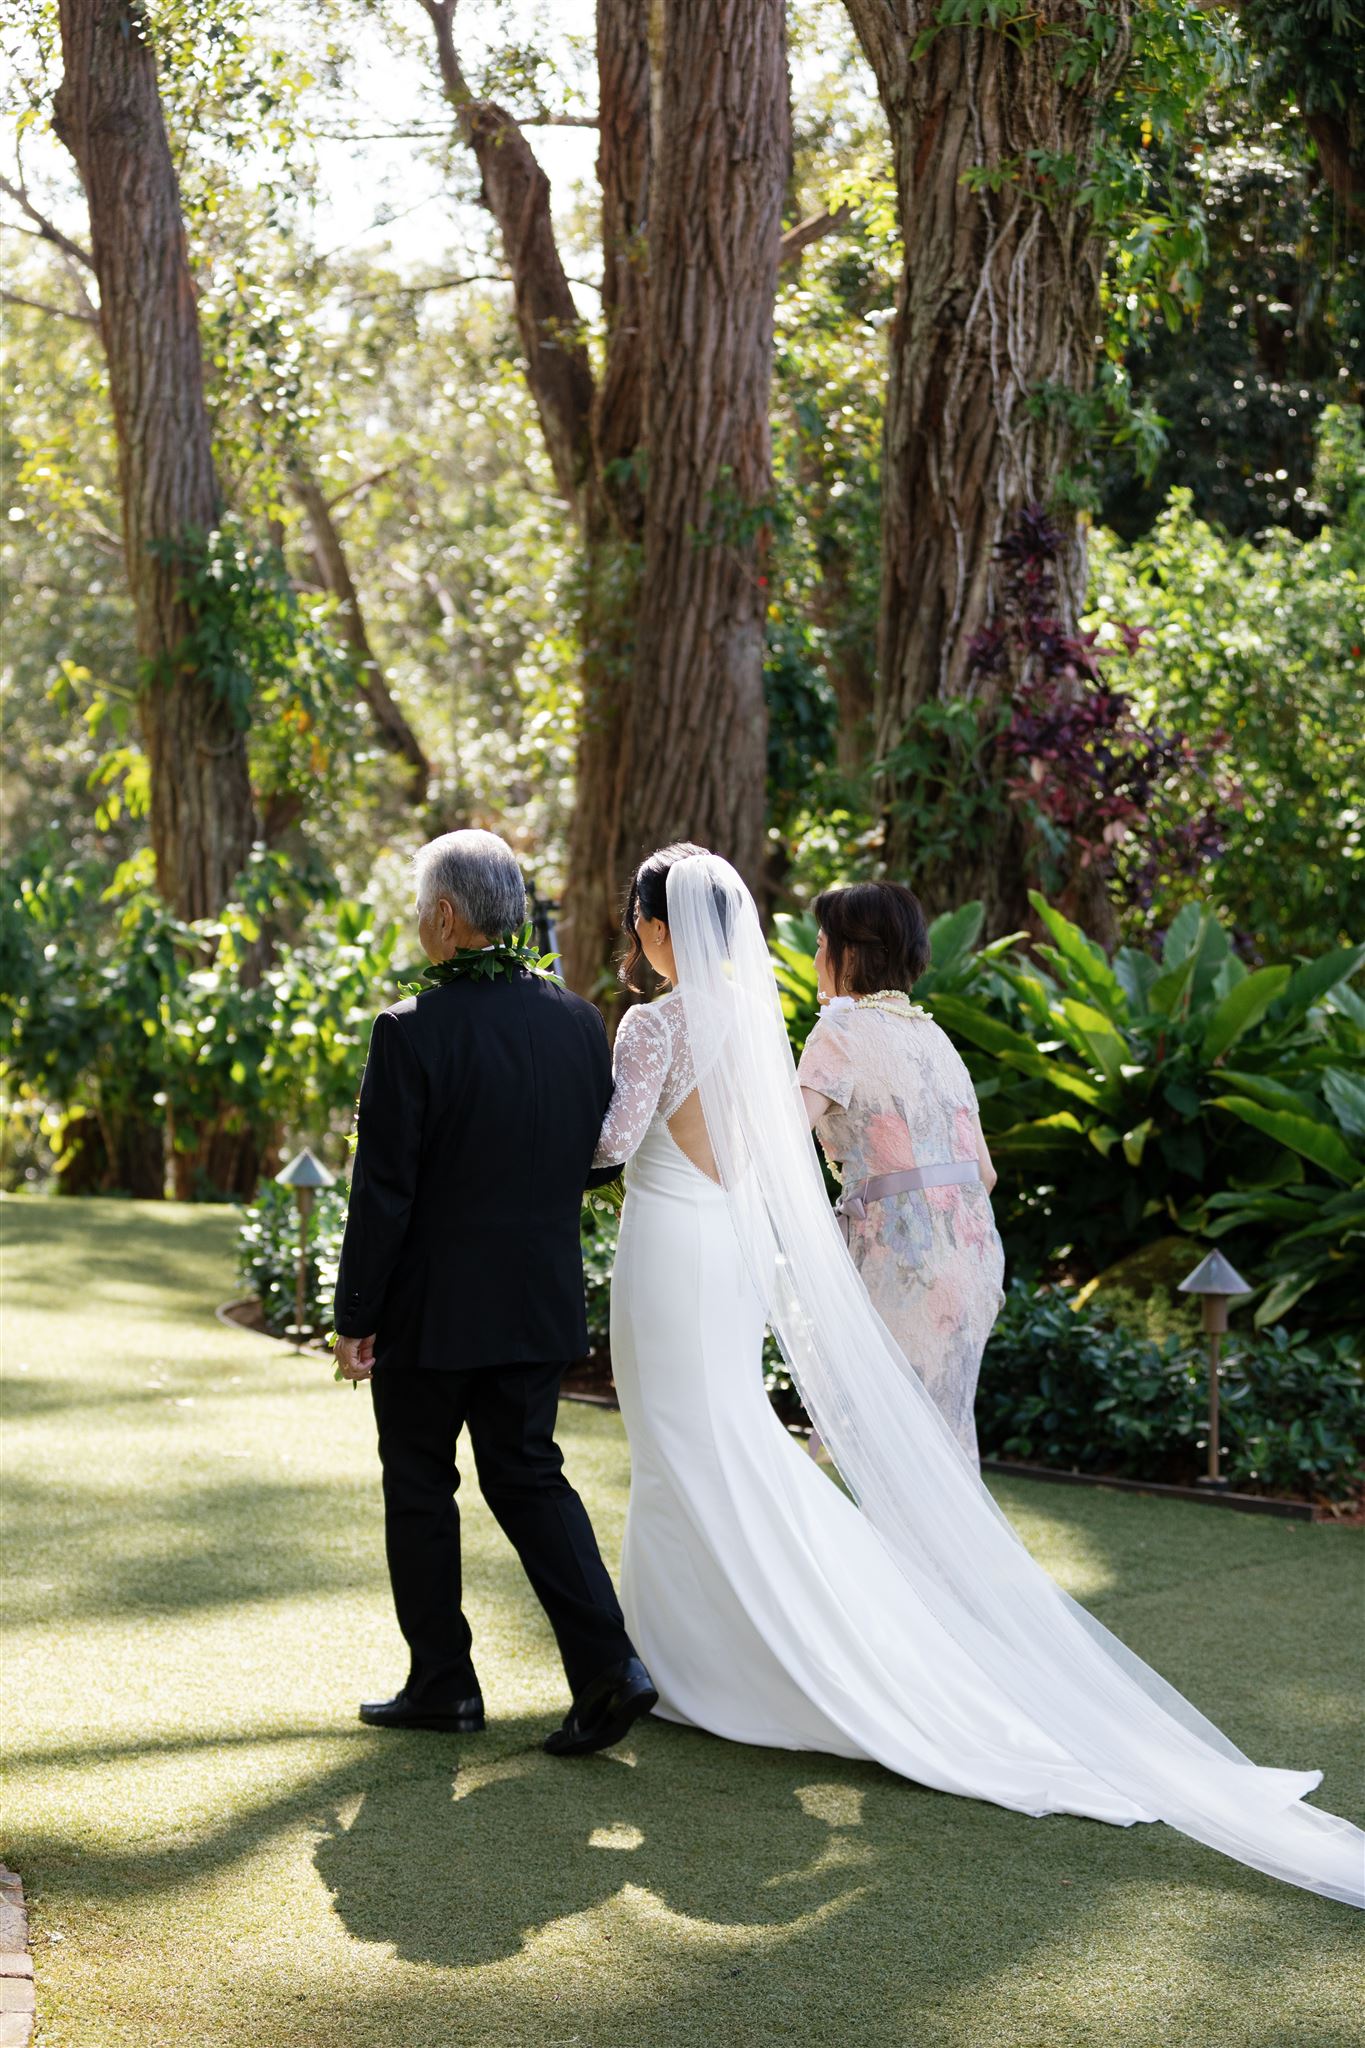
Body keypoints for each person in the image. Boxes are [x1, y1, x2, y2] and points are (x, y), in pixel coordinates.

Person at [591, 842, 1363, 1908]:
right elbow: (968, 1163)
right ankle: (897, 1625)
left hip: (859, 1254)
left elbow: (691, 1140)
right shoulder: (916, 1033)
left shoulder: (770, 1028)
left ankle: (908, 1641)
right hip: (965, 1250)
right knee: (926, 1456)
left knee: (853, 1460)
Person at [332, 828, 655, 1756]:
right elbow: (591, 1164)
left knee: (421, 1488)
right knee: (529, 1478)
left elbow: (383, 1190)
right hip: (536, 1301)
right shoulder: (575, 1021)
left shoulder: (408, 1028)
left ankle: (442, 1684)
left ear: (444, 916)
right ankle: (610, 1668)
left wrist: (356, 1318)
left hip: (428, 1313)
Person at [795, 881, 1003, 1460]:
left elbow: (778, 1137)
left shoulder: (839, 1032)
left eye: (820, 944)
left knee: (888, 1448)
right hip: (974, 1257)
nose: (814, 960)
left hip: (901, 1257)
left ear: (851, 954)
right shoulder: (935, 1037)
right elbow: (983, 1173)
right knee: (942, 1443)